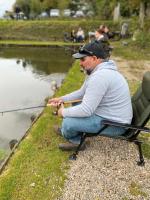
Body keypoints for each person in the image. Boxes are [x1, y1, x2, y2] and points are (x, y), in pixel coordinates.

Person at [48, 41, 133, 151]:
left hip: (115, 125)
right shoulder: (97, 71)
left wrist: (62, 112)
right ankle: (68, 129)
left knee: (68, 122)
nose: (80, 63)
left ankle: (76, 140)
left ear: (94, 58)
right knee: (75, 104)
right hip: (109, 116)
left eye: (83, 59)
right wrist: (61, 99)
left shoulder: (100, 76)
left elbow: (86, 110)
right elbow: (81, 92)